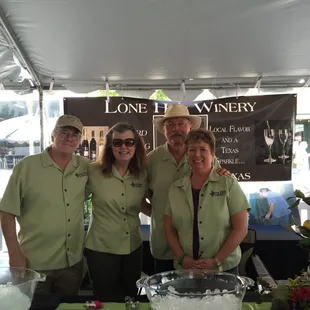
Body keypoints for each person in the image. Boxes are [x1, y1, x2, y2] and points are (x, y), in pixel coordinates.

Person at [0, 115, 88, 309]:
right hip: (35, 263)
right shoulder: (27, 167)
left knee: (67, 307)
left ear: (80, 140)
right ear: (53, 134)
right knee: (33, 306)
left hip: (71, 263)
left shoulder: (84, 167)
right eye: (63, 132)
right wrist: (14, 252)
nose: (69, 137)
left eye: (75, 134)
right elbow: (7, 211)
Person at [147, 104, 230, 273]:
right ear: (163, 129)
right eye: (169, 125)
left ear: (190, 126)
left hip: (197, 248)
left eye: (181, 124)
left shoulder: (205, 157)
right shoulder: (151, 160)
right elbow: (142, 196)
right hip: (163, 244)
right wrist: (159, 214)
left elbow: (221, 183)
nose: (175, 129)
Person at [164, 129, 250, 274]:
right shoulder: (175, 188)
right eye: (192, 150)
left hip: (223, 269)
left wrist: (217, 260)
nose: (197, 155)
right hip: (186, 269)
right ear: (187, 154)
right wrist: (182, 258)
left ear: (212, 153)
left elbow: (241, 228)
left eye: (203, 149)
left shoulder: (228, 183)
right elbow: (169, 230)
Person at [84, 122, 148, 302]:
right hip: (101, 250)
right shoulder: (93, 171)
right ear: (110, 146)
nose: (124, 147)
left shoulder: (142, 173)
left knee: (130, 299)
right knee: (105, 301)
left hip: (133, 248)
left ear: (136, 145)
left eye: (129, 142)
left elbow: (144, 202)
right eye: (118, 143)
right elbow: (73, 199)